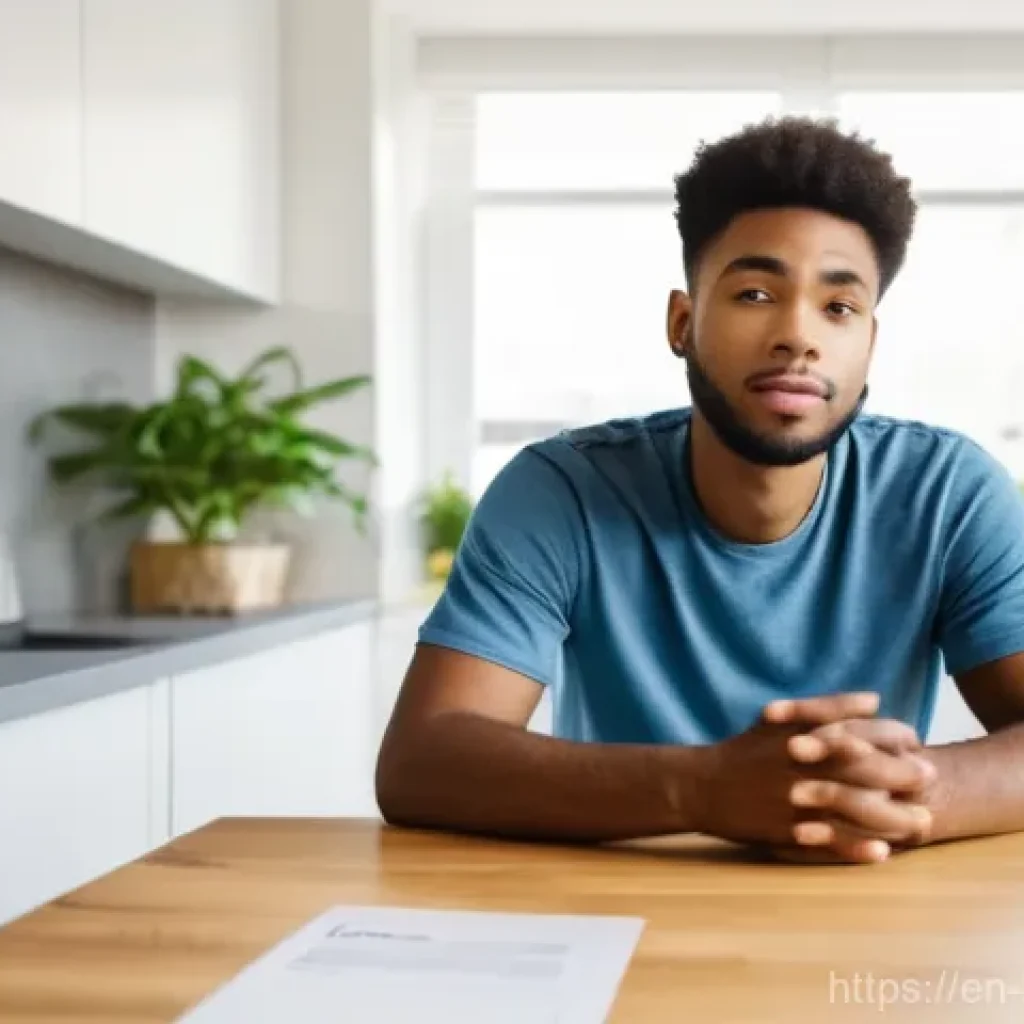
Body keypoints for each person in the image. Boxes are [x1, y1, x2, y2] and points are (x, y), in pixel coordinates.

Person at [375, 116, 1024, 865]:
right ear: (684, 321)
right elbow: (423, 760)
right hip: (613, 908)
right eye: (754, 293)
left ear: (868, 342)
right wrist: (706, 789)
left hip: (857, 903)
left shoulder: (949, 494)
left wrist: (883, 796)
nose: (798, 336)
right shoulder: (560, 491)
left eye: (838, 307)